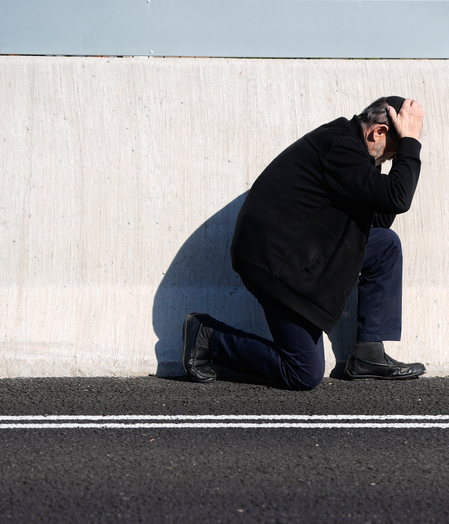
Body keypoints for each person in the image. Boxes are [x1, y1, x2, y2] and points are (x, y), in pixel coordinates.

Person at [182, 96, 426, 390]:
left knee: (384, 245)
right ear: (379, 132)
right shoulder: (341, 149)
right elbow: (398, 198)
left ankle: (368, 356)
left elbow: (382, 217)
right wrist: (410, 142)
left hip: (303, 252)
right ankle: (208, 336)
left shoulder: (354, 152)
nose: (389, 161)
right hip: (277, 265)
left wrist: (401, 152)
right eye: (392, 154)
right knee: (303, 372)